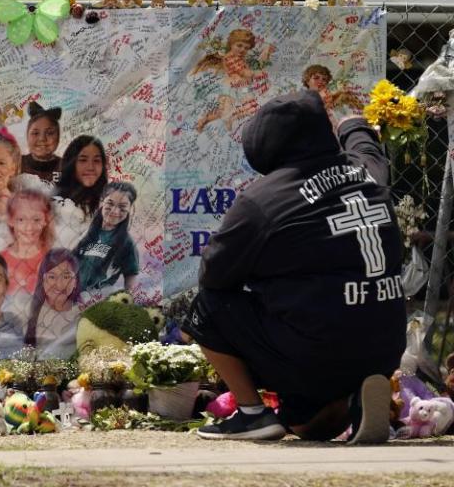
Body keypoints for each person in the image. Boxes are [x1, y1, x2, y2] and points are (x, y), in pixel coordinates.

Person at [183, 91, 405, 443]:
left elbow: (214, 275)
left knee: (206, 306)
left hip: (318, 352)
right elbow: (366, 145)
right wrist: (352, 124)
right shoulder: (368, 172)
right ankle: (353, 398)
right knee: (302, 425)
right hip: (385, 345)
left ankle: (253, 414)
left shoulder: (264, 199)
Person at [73, 182, 140, 303]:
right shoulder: (84, 232)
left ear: (130, 208)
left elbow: (131, 275)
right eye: (110, 203)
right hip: (71, 295)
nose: (115, 211)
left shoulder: (127, 243)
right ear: (102, 201)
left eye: (122, 207)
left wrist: (128, 301)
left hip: (97, 300)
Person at [23, 249, 82, 359]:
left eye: (66, 277)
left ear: (75, 282)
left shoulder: (83, 314)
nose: (59, 285)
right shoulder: (28, 312)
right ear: (43, 280)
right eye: (52, 277)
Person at [1, 189, 54, 308]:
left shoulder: (52, 260)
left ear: (46, 220)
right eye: (21, 220)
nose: (29, 227)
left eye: (36, 220)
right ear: (11, 220)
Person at [56, 135, 108, 218]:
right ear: (71, 164)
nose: (91, 167)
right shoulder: (56, 205)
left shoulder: (109, 201)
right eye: (83, 160)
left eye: (96, 160)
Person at [21, 102, 62, 183]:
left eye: (50, 133)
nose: (42, 139)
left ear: (58, 136)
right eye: (36, 133)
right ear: (27, 135)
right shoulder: (15, 164)